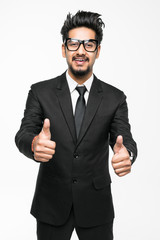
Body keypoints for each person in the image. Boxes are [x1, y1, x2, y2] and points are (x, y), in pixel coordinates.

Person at [15, 10, 137, 240]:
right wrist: (33, 144)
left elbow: (124, 137)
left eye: (89, 44)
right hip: (51, 203)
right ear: (64, 49)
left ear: (98, 51)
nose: (81, 50)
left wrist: (127, 154)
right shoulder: (40, 92)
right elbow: (24, 133)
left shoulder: (115, 98)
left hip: (96, 205)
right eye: (73, 43)